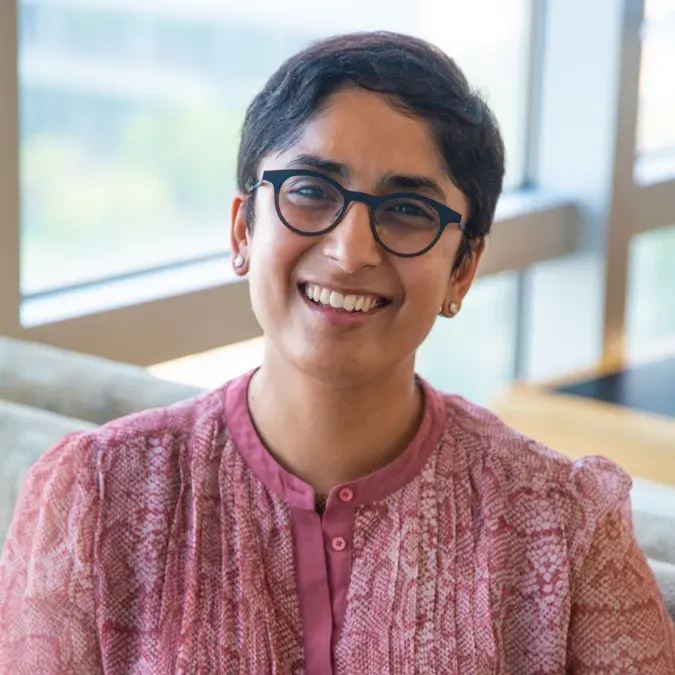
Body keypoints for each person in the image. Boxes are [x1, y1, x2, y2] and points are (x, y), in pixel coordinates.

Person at [1, 31, 674, 675]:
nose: (351, 251)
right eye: (311, 192)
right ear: (243, 228)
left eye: (408, 208)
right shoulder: (95, 496)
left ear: (462, 269)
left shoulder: (566, 527)